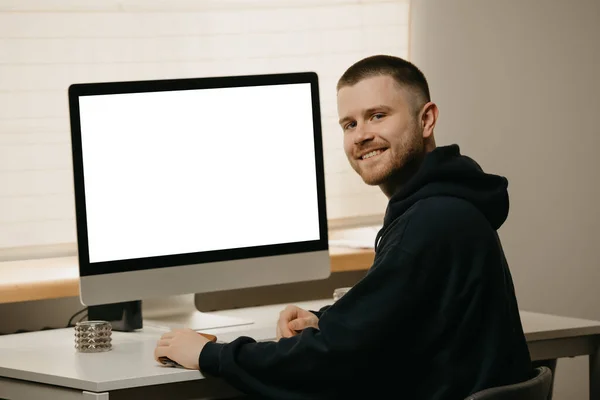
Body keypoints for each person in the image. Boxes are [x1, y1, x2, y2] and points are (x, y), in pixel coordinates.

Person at [154, 55, 533, 399]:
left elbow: (329, 362)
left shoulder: (431, 223)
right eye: (349, 123)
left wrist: (208, 354)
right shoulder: (448, 207)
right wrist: (325, 321)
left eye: (378, 115)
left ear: (427, 119)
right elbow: (394, 319)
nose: (361, 134)